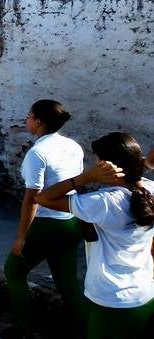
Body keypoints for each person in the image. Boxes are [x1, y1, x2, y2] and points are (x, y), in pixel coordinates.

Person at [35, 132, 153, 339]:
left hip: (111, 299)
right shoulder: (150, 189)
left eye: (96, 159)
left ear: (104, 165)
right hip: (144, 293)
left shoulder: (104, 202)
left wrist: (85, 177)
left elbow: (42, 198)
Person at [0, 100, 87, 339]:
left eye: (29, 116)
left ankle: (21, 329)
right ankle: (84, 330)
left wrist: (21, 237)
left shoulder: (37, 153)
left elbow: (32, 200)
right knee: (67, 283)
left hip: (46, 222)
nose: (26, 120)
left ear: (38, 121)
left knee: (13, 271)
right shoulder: (74, 146)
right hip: (71, 219)